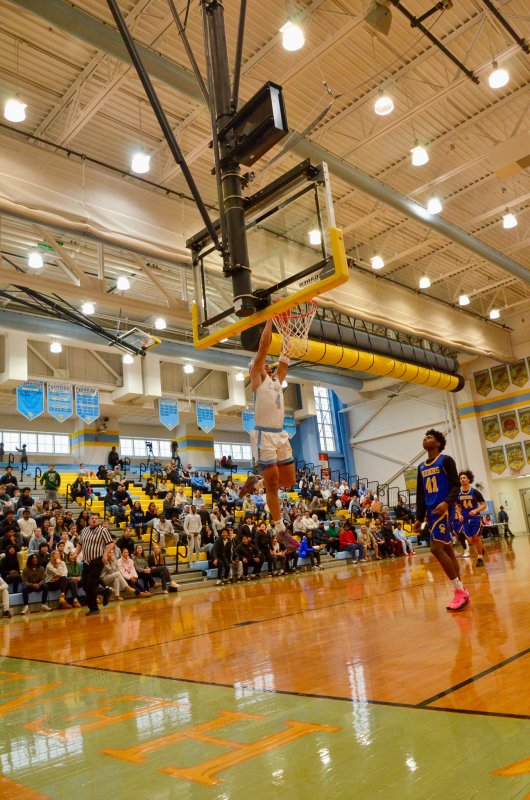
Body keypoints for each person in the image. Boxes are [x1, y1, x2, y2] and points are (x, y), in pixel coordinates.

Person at [239, 319, 298, 551]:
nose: (264, 364)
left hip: (280, 435)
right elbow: (263, 347)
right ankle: (280, 529)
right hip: (264, 435)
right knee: (274, 486)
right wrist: (271, 319)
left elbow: (285, 356)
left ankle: (256, 484)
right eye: (260, 363)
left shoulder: (276, 381)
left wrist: (286, 326)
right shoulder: (256, 379)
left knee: (289, 481)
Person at [414, 429, 469, 612]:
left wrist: (447, 502)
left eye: (429, 437)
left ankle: (458, 591)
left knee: (435, 548)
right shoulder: (421, 467)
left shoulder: (446, 460)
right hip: (431, 512)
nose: (425, 439)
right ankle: (462, 588)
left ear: (437, 443)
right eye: (424, 437)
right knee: (447, 549)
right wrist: (418, 518)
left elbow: (455, 485)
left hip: (444, 509)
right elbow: (421, 495)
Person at [74, 513, 114, 616]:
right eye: (92, 518)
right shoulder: (84, 530)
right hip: (86, 561)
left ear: (99, 521)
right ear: (89, 521)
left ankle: (94, 608)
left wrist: (105, 554)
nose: (94, 520)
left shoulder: (103, 531)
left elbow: (110, 544)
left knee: (91, 584)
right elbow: (80, 544)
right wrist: (75, 554)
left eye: (96, 518)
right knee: (84, 584)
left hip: (97, 560)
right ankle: (105, 592)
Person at [457, 470, 487, 567]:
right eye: (461, 478)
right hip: (465, 518)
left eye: (464, 477)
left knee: (476, 537)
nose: (462, 479)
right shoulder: (458, 493)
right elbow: (457, 506)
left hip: (475, 518)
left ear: (469, 479)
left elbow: (484, 505)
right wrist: (459, 514)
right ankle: (480, 546)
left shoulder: (475, 492)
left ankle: (480, 557)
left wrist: (476, 510)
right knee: (470, 540)